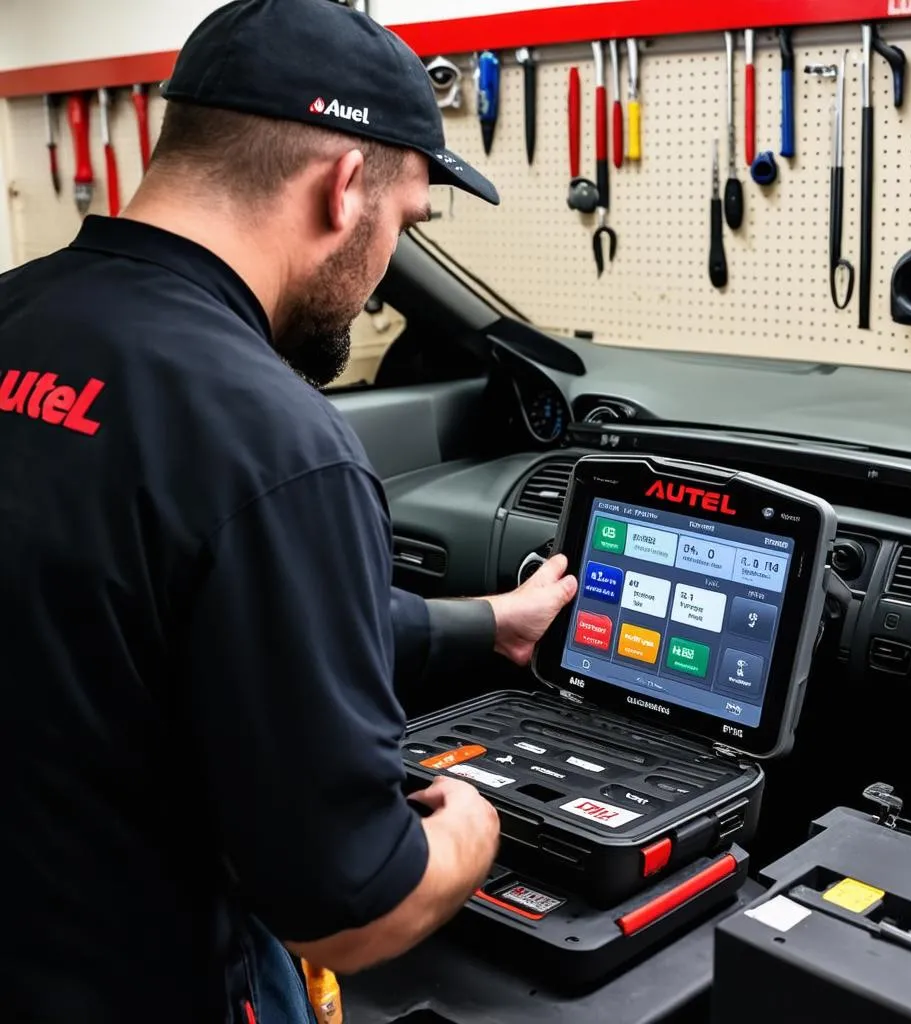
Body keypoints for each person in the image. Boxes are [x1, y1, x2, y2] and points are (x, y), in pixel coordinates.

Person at [0, 1, 578, 1021]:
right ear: (345, 186)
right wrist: (472, 833)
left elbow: (156, 600)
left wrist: (491, 622)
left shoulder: (17, 315)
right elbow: (349, 911)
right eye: (404, 224)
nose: (379, 282)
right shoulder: (277, 444)